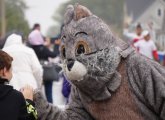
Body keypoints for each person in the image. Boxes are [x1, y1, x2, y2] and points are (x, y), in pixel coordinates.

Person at [0, 50, 37, 120]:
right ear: (4, 71)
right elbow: (33, 118)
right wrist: (29, 101)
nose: (12, 73)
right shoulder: (15, 97)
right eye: (11, 69)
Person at [28, 23, 57, 103]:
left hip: (33, 73)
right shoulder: (42, 48)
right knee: (48, 91)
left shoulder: (30, 49)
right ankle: (50, 105)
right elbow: (53, 55)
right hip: (46, 71)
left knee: (36, 93)